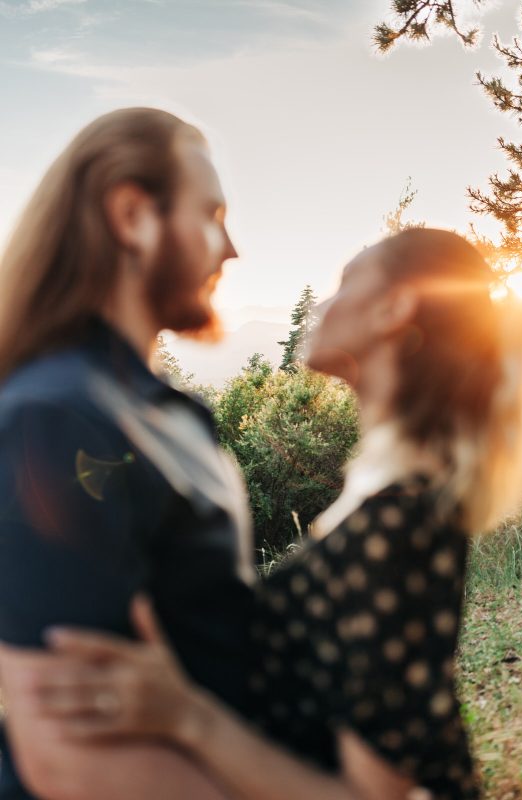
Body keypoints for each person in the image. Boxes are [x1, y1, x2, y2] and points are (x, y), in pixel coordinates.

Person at [2, 230, 522, 800]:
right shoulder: (384, 488)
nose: (320, 305)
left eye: (343, 284)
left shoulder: (401, 517)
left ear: (392, 309)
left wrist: (186, 714)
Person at [0, 107, 413, 800]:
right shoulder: (53, 419)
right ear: (134, 217)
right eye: (211, 213)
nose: (231, 248)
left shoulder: (174, 415)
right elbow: (73, 760)